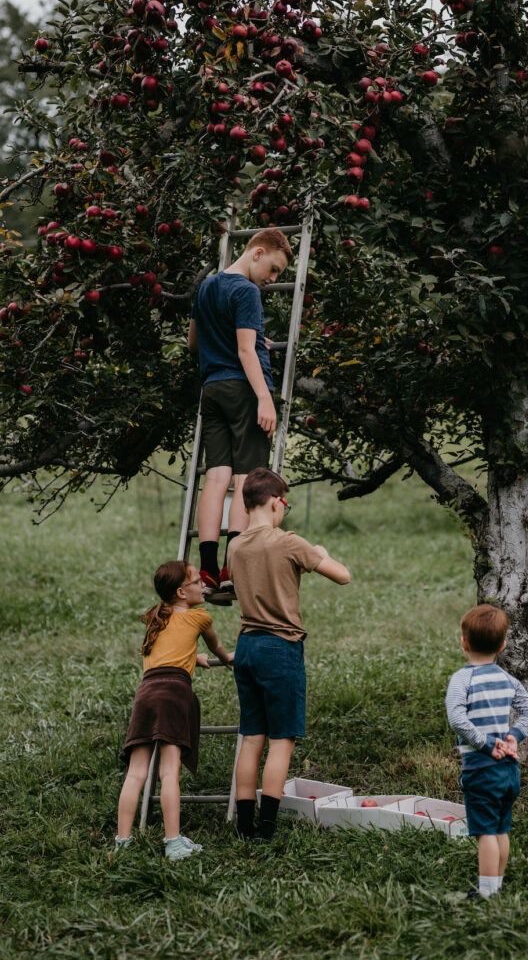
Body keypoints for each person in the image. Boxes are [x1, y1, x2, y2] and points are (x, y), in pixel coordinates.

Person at [227, 467, 351, 841]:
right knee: (282, 739)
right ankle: (267, 828)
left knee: (252, 737)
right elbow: (342, 575)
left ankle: (245, 826)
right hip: (280, 647)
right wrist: (321, 553)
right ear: (277, 503)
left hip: (246, 645)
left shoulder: (234, 546)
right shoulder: (288, 541)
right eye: (287, 504)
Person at [188, 228, 292, 592]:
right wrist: (264, 397)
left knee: (215, 478)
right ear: (257, 252)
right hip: (243, 391)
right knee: (244, 481)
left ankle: (206, 569)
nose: (272, 280)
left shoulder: (206, 288)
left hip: (212, 388)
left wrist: (240, 338)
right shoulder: (246, 290)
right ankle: (232, 569)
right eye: (275, 270)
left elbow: (194, 342)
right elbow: (246, 352)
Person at [115, 560, 235, 860]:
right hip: (173, 694)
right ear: (181, 592)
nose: (204, 586)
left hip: (146, 693)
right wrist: (221, 657)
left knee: (135, 774)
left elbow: (166, 655)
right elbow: (220, 649)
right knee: (169, 774)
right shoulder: (200, 618)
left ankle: (123, 842)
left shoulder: (157, 621)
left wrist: (193, 657)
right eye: (197, 582)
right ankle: (173, 843)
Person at [445, 604, 528, 898]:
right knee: (501, 828)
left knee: (484, 831)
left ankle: (486, 892)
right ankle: (496, 885)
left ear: (464, 642)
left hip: (482, 769)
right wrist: (513, 737)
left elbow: (457, 719)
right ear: (502, 645)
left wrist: (487, 744)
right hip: (509, 769)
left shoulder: (463, 679)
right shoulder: (507, 679)